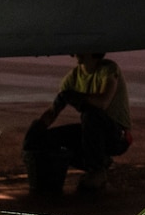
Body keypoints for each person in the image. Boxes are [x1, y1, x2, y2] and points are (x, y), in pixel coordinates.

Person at [24, 52, 132, 194]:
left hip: (117, 136)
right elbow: (53, 111)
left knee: (91, 116)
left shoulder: (108, 70)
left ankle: (97, 170)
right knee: (46, 138)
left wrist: (78, 97)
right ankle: (98, 161)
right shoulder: (74, 77)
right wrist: (37, 131)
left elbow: (103, 103)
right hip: (92, 133)